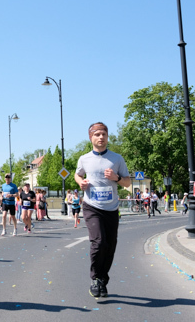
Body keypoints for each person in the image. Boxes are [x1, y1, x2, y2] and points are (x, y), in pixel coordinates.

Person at [75, 122, 130, 298]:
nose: (101, 137)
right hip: (92, 206)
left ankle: (102, 279)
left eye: (104, 134)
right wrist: (80, 182)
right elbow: (78, 173)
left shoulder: (117, 159)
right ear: (91, 137)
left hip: (112, 208)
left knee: (110, 245)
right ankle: (95, 278)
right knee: (98, 242)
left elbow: (127, 182)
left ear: (107, 137)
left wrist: (116, 177)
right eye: (97, 134)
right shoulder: (84, 159)